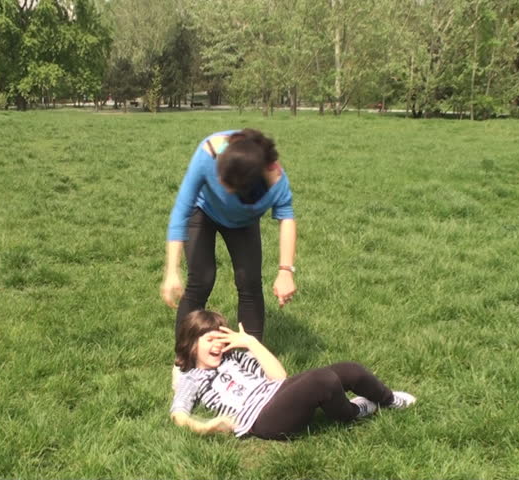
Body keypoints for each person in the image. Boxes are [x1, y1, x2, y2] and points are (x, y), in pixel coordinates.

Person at [170, 310, 416, 440]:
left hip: (278, 395)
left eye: (221, 338)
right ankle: (353, 412)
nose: (218, 345)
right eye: (210, 339)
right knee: (323, 380)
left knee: (349, 369)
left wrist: (250, 342)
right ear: (191, 343)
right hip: (260, 420)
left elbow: (279, 377)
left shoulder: (234, 357)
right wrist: (206, 427)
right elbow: (178, 414)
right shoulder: (191, 378)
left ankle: (388, 399)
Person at [161, 129, 297, 344]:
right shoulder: (209, 154)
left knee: (249, 282)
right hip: (202, 211)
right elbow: (181, 210)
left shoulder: (274, 178)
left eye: (228, 187)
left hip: (243, 221)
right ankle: (184, 359)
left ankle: (251, 362)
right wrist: (171, 271)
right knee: (202, 279)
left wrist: (285, 271)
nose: (221, 186)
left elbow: (286, 217)